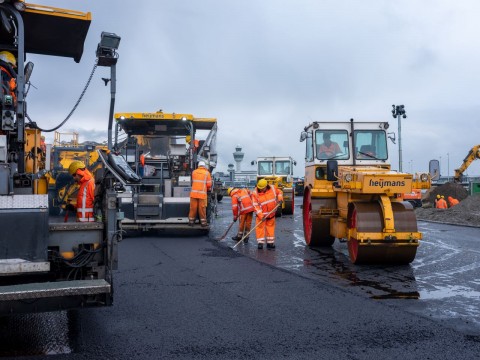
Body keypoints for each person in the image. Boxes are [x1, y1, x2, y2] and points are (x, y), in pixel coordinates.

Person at [251, 179, 283, 250]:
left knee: (270, 228)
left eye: (262, 188)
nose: (261, 190)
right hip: (261, 216)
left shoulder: (273, 188)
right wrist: (261, 216)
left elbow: (279, 192)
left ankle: (270, 243)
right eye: (260, 188)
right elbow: (255, 206)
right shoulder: (255, 193)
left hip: (271, 214)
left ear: (266, 186)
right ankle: (260, 243)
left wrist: (280, 199)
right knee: (260, 229)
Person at [188, 160, 212, 227]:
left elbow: (193, 181)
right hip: (202, 194)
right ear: (204, 166)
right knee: (202, 209)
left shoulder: (194, 172)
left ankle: (191, 222)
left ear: (198, 166)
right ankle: (203, 223)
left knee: (193, 208)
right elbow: (209, 184)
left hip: (193, 194)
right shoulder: (207, 173)